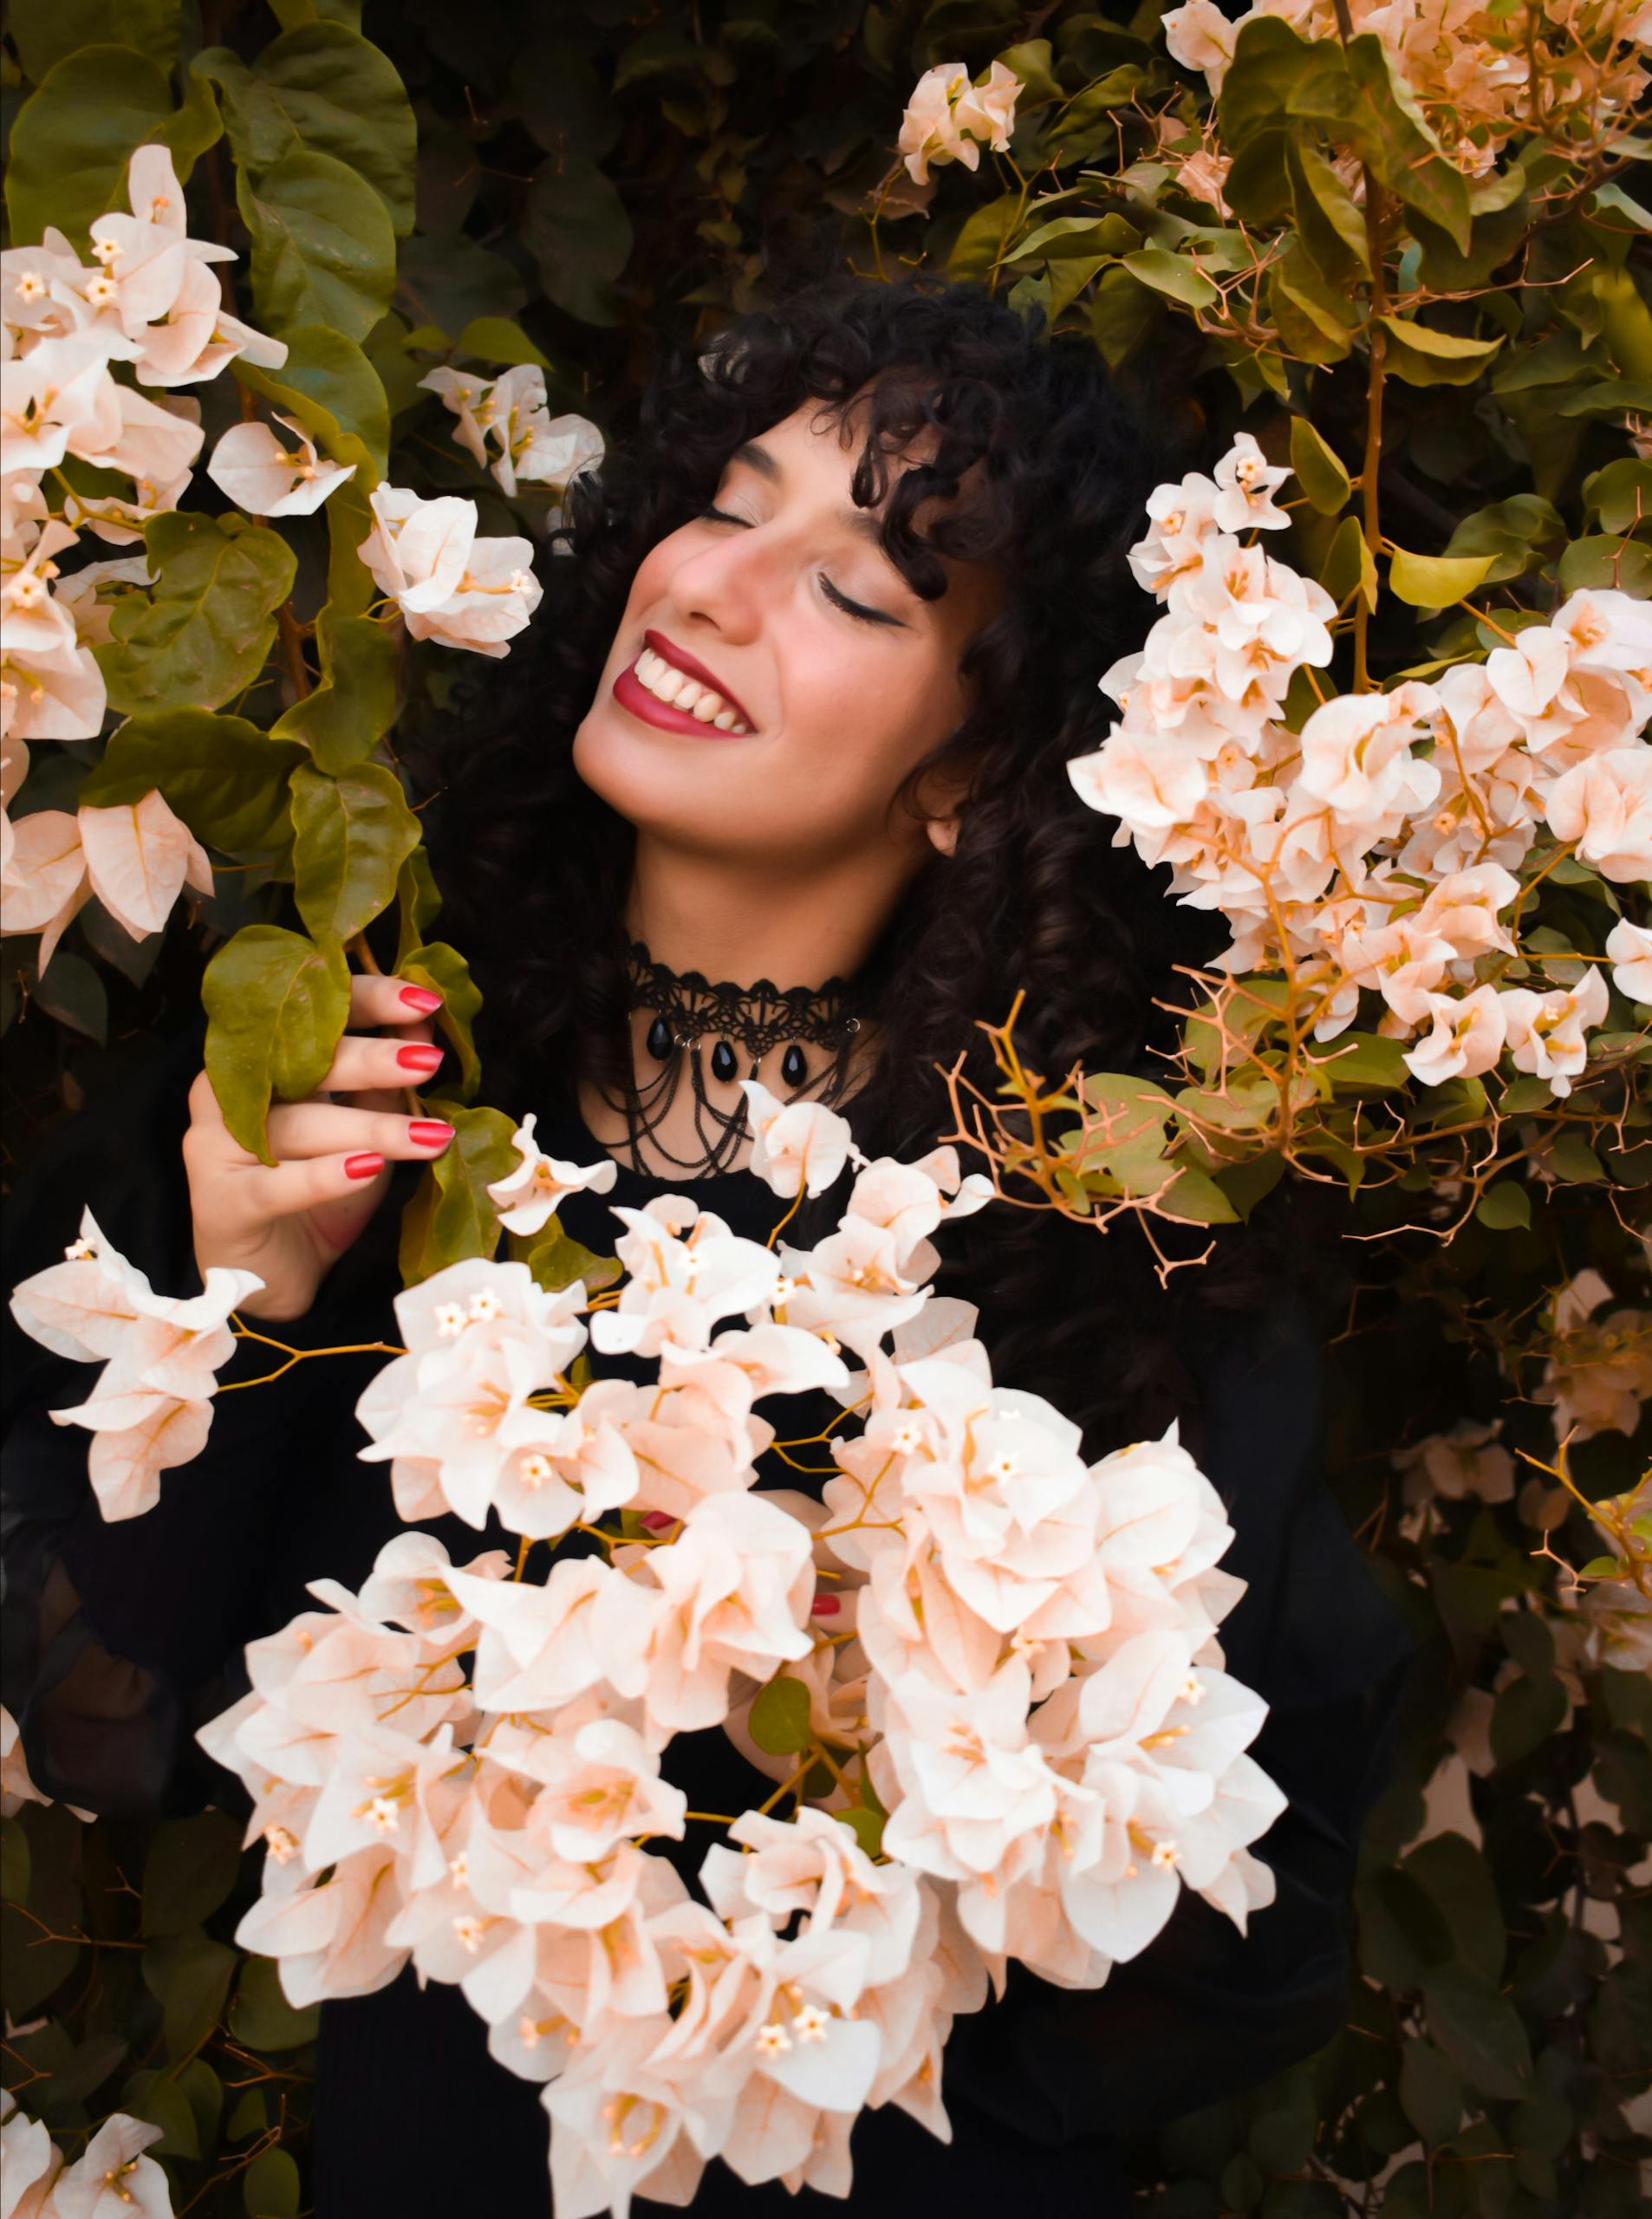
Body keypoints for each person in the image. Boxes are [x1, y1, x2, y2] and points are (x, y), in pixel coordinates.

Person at [3, 276, 1413, 2216]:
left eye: (855, 592)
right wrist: (249, 1302)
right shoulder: (353, 1085)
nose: (715, 587)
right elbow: (119, 1734)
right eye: (729, 504)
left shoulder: (1087, 1251)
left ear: (972, 772)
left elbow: (1237, 1918)